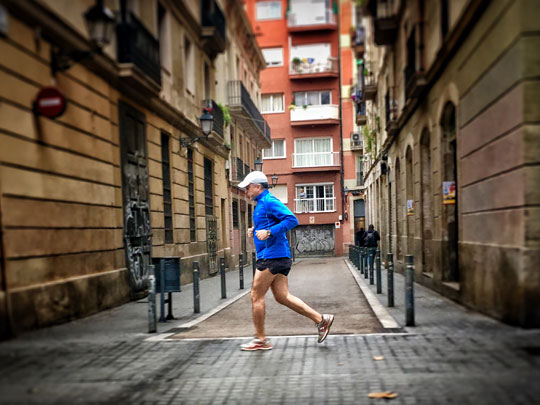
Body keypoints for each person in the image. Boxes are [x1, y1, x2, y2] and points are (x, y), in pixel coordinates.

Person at [238, 171, 334, 351]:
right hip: (277, 255)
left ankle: (260, 340)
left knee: (255, 296)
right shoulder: (261, 204)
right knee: (283, 297)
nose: (245, 190)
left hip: (272, 256)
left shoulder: (269, 201)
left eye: (248, 187)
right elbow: (269, 224)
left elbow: (292, 219)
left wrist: (269, 232)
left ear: (258, 187)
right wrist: (256, 230)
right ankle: (322, 320)